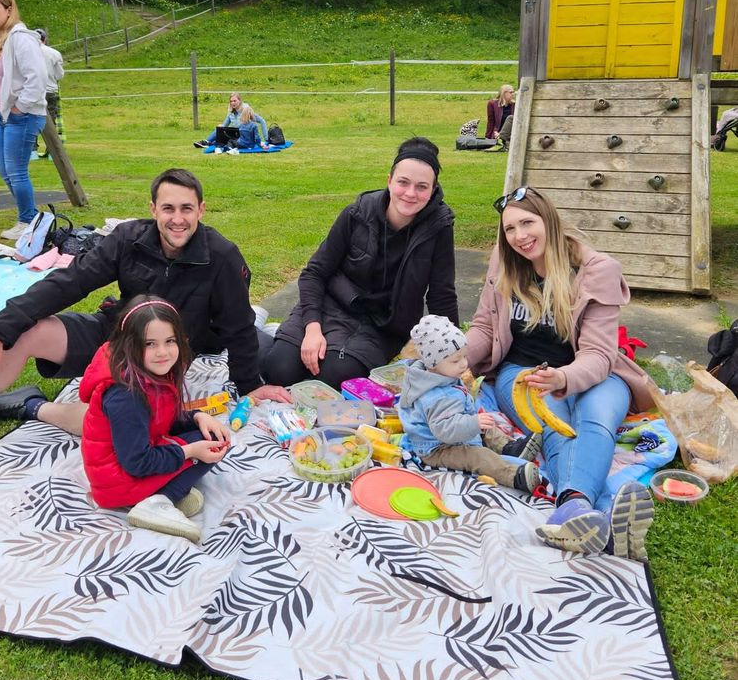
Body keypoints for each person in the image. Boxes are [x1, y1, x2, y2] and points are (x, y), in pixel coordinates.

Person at [0, 168, 290, 481]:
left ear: (201, 210)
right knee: (25, 331)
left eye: (187, 209)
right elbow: (69, 282)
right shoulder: (128, 238)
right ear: (153, 210)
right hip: (115, 334)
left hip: (162, 356)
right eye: (168, 209)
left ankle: (31, 406)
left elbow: (238, 325)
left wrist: (249, 384)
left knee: (121, 428)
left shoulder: (222, 256)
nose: (178, 219)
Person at [466, 186, 657, 560]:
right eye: (509, 229)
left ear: (549, 221)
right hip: (524, 373)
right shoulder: (504, 262)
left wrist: (564, 378)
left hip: (596, 373)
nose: (519, 236)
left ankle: (576, 510)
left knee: (595, 420)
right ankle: (584, 508)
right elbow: (485, 327)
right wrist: (454, 357)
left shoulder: (595, 270)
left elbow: (599, 354)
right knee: (556, 424)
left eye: (527, 223)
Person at [263, 137, 459, 389]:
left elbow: (442, 295)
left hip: (384, 325)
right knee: (278, 368)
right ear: (389, 180)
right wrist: (312, 328)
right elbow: (315, 273)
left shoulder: (439, 228)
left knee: (333, 378)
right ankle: (266, 334)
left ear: (433, 190)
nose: (410, 193)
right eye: (403, 182)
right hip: (331, 306)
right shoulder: (357, 214)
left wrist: (455, 353)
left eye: (422, 187)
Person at [81, 295, 231, 542]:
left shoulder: (146, 371)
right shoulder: (126, 396)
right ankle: (160, 502)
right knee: (209, 446)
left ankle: (162, 494)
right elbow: (137, 462)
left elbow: (161, 420)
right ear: (129, 344)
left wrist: (198, 417)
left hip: (130, 462)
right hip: (118, 481)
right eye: (149, 344)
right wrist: (190, 451)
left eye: (169, 341)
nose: (162, 352)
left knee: (212, 435)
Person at [398, 315, 542, 494]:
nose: (464, 364)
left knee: (486, 425)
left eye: (464, 356)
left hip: (456, 426)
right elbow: (444, 430)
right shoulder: (437, 397)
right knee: (476, 456)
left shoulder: (442, 375)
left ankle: (509, 448)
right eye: (455, 360)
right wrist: (473, 423)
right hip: (438, 448)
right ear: (432, 364)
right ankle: (514, 476)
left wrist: (474, 421)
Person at [0, 0, 47, 241]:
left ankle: (28, 220)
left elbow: (37, 76)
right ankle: (29, 216)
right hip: (1, 115)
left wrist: (21, 107)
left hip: (21, 115)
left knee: (17, 171)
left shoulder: (20, 38)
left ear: (9, 10)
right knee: (4, 171)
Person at [193, 92, 267, 149]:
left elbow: (262, 121)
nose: (232, 103)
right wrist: (220, 127)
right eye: (231, 101)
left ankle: (207, 143)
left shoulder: (246, 110)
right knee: (220, 128)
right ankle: (207, 142)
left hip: (245, 136)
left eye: (235, 101)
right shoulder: (230, 112)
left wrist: (266, 139)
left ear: (240, 101)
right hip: (235, 133)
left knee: (223, 141)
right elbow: (224, 125)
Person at [35, 28, 65, 156]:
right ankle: (53, 152)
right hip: (50, 91)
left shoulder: (26, 53)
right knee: (51, 122)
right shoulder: (54, 53)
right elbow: (59, 75)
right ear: (45, 39)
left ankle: (32, 151)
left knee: (31, 120)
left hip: (33, 91)